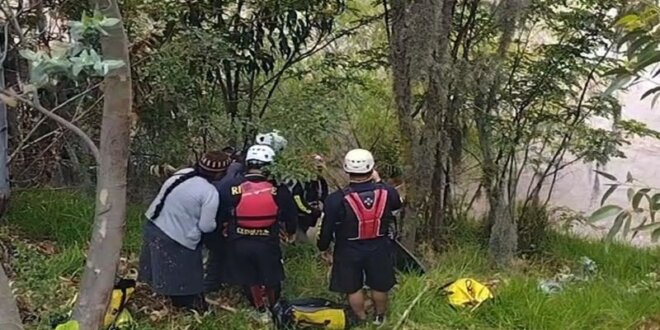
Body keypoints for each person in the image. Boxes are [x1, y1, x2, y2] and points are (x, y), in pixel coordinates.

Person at [317, 149, 402, 327]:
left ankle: (362, 319)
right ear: (372, 168)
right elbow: (396, 204)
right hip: (379, 245)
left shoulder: (336, 199)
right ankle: (379, 318)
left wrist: (323, 247)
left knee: (352, 286)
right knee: (379, 284)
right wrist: (379, 182)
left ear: (347, 170)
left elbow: (326, 228)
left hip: (348, 248)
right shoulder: (388, 192)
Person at [138, 151, 231, 311]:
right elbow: (206, 226)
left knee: (157, 269)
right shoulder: (209, 192)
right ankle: (188, 308)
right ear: (219, 173)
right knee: (186, 279)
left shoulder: (181, 174)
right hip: (177, 237)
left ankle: (156, 299)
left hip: (153, 225)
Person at [218, 144, 297, 324]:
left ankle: (260, 311)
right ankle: (275, 309)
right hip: (267, 241)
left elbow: (220, 213)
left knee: (249, 278)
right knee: (272, 276)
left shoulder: (230, 186)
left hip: (238, 240)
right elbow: (290, 215)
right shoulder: (278, 188)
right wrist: (291, 233)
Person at [292, 154, 329, 242]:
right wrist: (311, 211)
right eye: (317, 168)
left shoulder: (321, 181)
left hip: (315, 218)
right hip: (300, 217)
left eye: (320, 168)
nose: (319, 170)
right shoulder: (300, 182)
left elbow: (325, 197)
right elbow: (298, 200)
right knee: (302, 242)